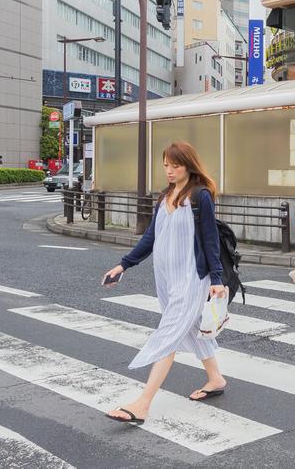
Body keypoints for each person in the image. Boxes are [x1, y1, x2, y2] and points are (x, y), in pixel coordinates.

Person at [101, 141, 227, 425]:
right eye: (166, 165)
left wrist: (216, 279)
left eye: (176, 165)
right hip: (168, 279)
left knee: (169, 333)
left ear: (189, 165)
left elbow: (210, 240)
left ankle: (143, 404)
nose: (169, 171)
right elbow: (150, 238)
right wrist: (124, 265)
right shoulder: (164, 198)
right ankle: (215, 378)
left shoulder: (200, 197)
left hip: (192, 278)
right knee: (191, 329)